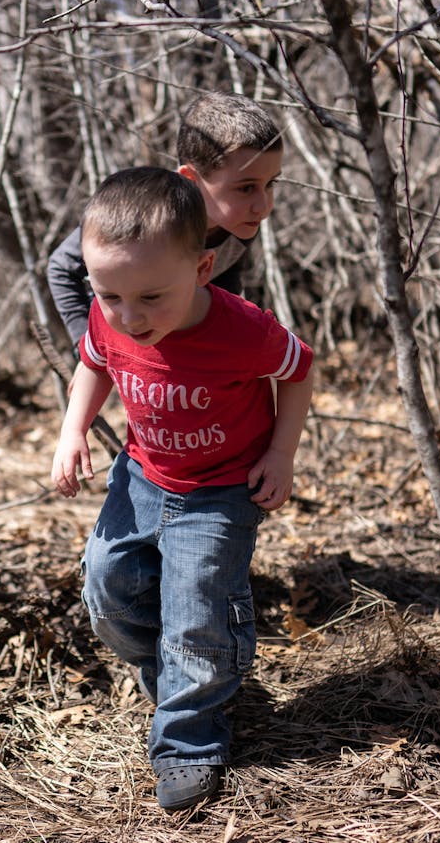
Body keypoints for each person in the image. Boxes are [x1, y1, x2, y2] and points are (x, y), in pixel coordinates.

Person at [50, 166, 315, 811]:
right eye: (109, 295)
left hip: (222, 489)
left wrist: (281, 452)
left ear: (201, 269)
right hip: (141, 474)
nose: (127, 316)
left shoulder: (242, 329)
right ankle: (184, 673)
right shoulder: (110, 310)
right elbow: (93, 359)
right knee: (108, 589)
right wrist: (71, 431)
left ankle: (191, 740)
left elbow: (300, 370)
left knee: (195, 611)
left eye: (148, 298)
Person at [45, 91, 284, 348]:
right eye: (246, 188)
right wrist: (87, 348)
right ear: (191, 179)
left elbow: (223, 284)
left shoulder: (240, 221)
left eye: (270, 184)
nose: (263, 206)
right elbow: (62, 269)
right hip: (122, 342)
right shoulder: (142, 211)